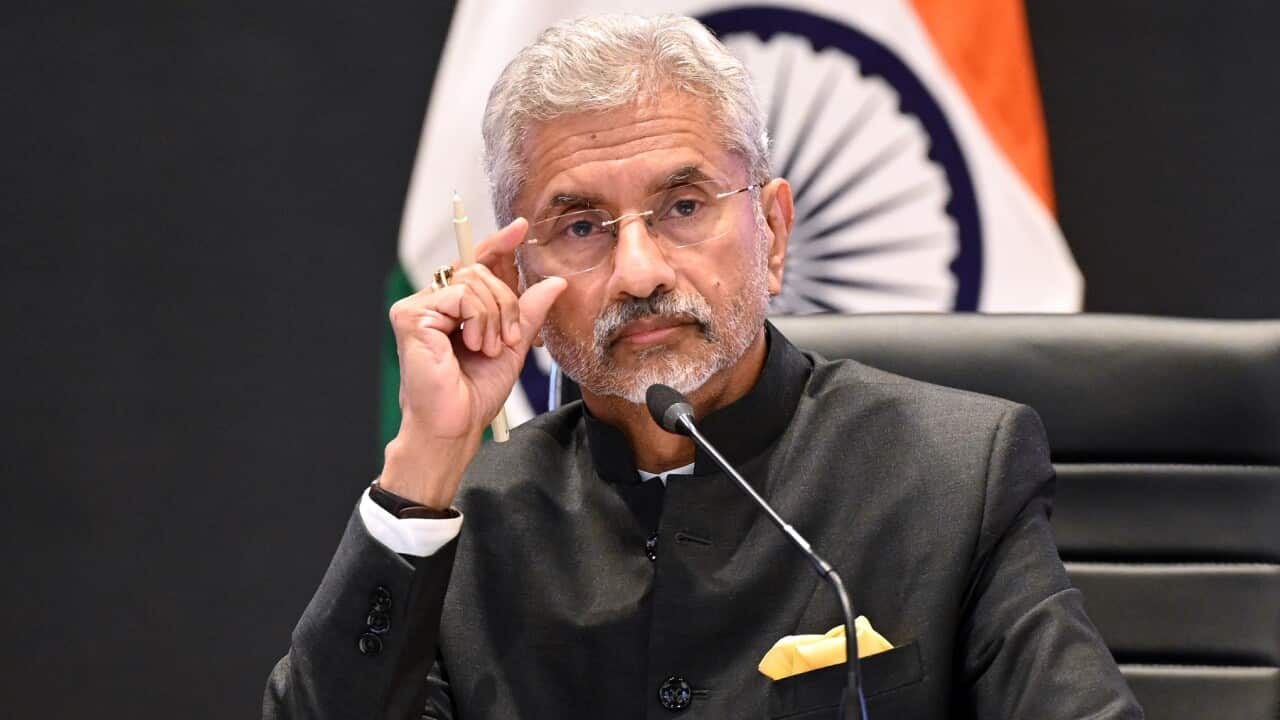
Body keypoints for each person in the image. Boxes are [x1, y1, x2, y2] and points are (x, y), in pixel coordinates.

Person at [264, 14, 1142, 719]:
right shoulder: (468, 520)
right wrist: (424, 463)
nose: (639, 271)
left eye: (683, 206)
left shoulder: (952, 474)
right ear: (519, 272)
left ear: (774, 232)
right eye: (581, 228)